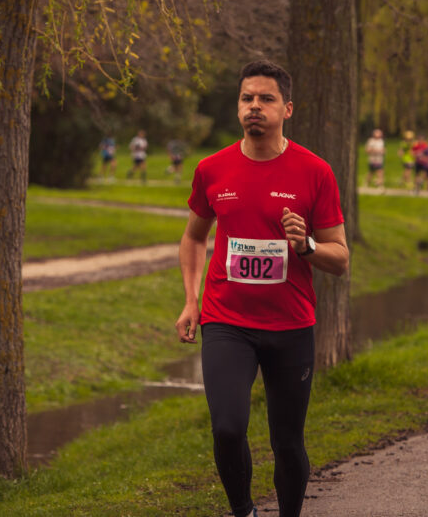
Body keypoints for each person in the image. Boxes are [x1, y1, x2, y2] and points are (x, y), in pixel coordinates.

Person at [176, 60, 349, 517]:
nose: (255, 106)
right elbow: (194, 237)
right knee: (228, 429)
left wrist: (306, 245)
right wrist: (191, 301)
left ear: (287, 108)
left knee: (287, 441)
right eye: (247, 98)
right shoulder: (213, 169)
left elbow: (341, 259)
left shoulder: (315, 172)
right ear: (238, 108)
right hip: (226, 321)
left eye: (266, 98)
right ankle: (244, 512)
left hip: (290, 325)